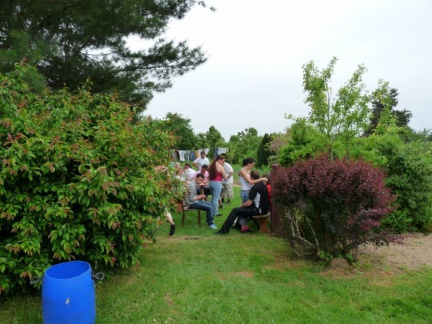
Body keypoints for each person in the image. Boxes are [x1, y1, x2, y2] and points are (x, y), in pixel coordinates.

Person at [215, 170, 270, 234]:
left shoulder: (255, 187)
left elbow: (249, 203)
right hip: (264, 209)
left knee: (235, 210)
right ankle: (237, 226)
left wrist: (241, 205)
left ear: (252, 178)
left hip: (259, 210)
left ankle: (223, 231)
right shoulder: (262, 185)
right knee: (241, 209)